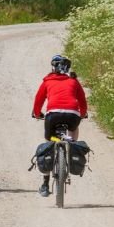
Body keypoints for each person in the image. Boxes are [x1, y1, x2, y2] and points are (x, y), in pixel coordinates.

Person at [32, 54, 88, 197]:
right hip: (72, 115)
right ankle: (72, 147)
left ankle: (45, 184)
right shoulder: (74, 81)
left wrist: (37, 114)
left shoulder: (47, 81)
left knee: (49, 144)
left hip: (53, 115)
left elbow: (38, 100)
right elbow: (82, 101)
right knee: (73, 130)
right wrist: (82, 114)